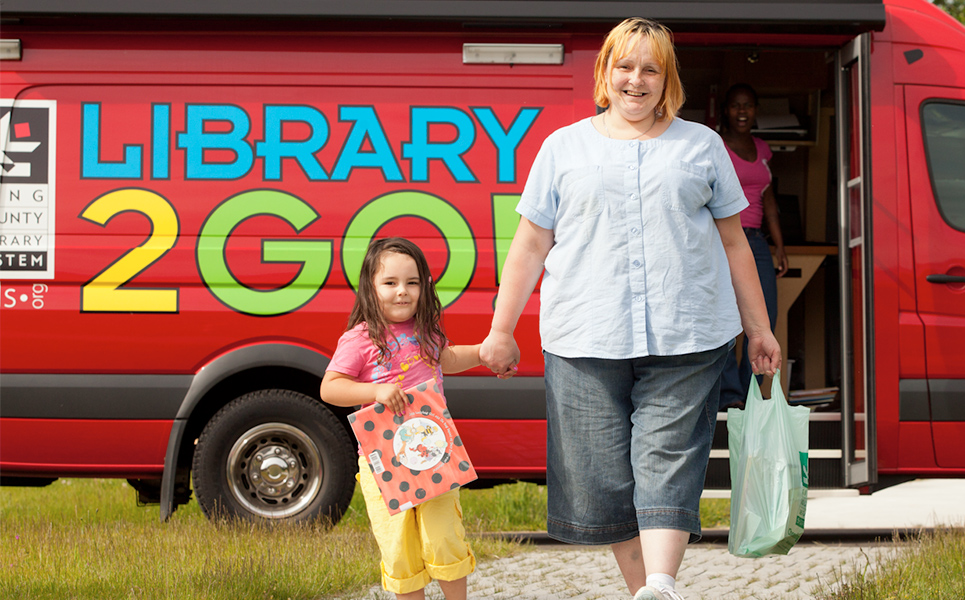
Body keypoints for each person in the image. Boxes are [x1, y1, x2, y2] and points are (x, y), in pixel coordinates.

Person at [479, 17, 781, 600]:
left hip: (687, 332)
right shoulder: (563, 147)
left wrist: (759, 329)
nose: (636, 80)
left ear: (667, 79)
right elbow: (531, 244)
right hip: (583, 334)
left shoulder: (701, 146)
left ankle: (660, 585)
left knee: (666, 459)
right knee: (604, 475)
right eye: (625, 66)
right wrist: (501, 328)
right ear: (605, 72)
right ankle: (647, 589)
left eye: (650, 69)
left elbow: (735, 242)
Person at [321, 237, 481, 600]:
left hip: (434, 457)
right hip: (383, 463)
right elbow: (330, 388)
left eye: (412, 282)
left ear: (425, 286)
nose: (402, 292)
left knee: (444, 537)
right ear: (370, 287)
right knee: (398, 548)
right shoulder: (359, 339)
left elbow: (449, 360)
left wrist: (485, 353)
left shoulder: (427, 331)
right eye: (390, 283)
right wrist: (374, 392)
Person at [718, 83, 790, 410]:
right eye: (735, 105)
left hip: (757, 241)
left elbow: (769, 201)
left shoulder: (762, 149)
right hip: (723, 241)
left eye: (748, 105)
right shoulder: (715, 145)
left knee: (763, 317)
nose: (742, 112)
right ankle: (728, 393)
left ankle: (748, 389)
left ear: (756, 109)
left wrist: (780, 246)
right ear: (726, 110)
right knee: (725, 318)